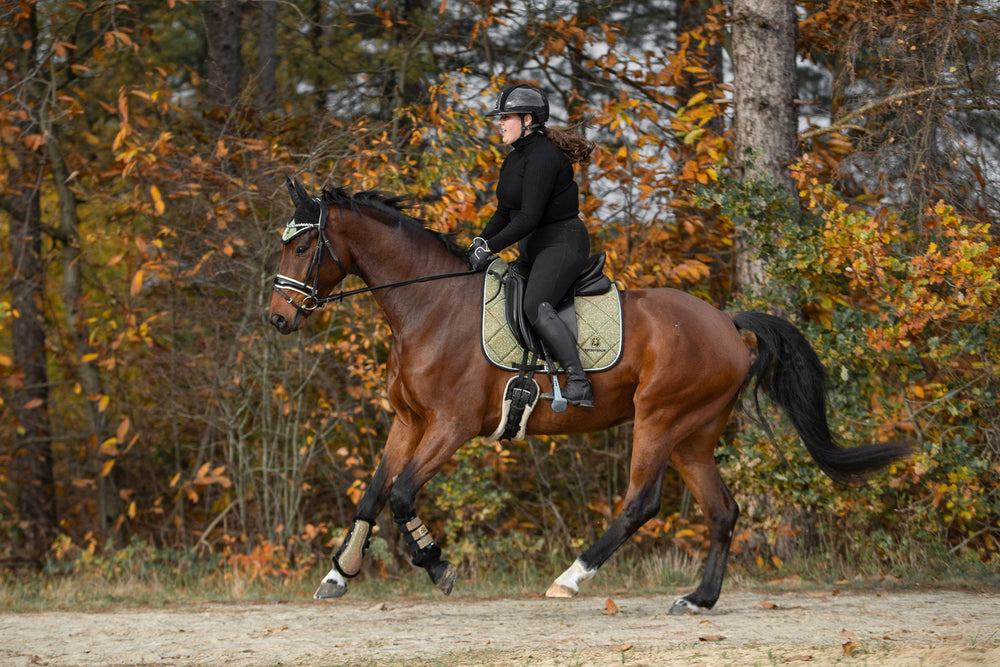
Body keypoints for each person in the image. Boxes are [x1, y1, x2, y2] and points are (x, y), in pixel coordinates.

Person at [466, 83, 596, 408]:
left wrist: (490, 248)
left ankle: (579, 382)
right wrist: (479, 241)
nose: (499, 123)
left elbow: (528, 218)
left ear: (527, 120)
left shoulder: (544, 157)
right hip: (534, 248)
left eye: (505, 117)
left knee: (535, 304)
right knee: (500, 292)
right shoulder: (513, 160)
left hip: (562, 243)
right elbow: (504, 212)